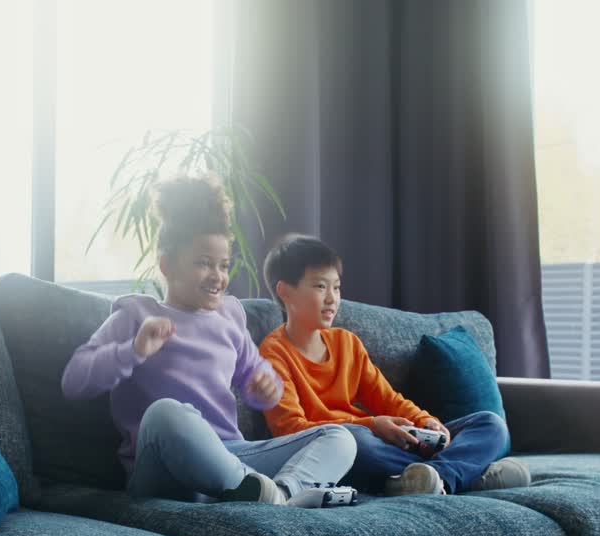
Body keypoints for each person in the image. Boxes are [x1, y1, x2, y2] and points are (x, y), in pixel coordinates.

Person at [61, 179, 356, 505]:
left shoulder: (230, 315)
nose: (217, 275)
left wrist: (265, 386)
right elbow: (74, 381)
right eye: (203, 263)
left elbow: (255, 374)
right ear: (167, 265)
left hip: (232, 455)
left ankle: (282, 495)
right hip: (166, 468)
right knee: (166, 413)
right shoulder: (136, 314)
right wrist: (133, 351)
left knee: (339, 436)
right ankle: (253, 490)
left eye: (223, 265)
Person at [257, 234, 530, 495]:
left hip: (387, 445)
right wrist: (372, 425)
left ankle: (430, 479)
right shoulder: (274, 353)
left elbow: (388, 399)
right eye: (320, 286)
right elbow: (290, 431)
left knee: (489, 423)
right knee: (355, 441)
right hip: (346, 450)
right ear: (285, 292)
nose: (332, 298)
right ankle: (462, 475)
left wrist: (426, 422)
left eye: (336, 287)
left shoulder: (346, 343)